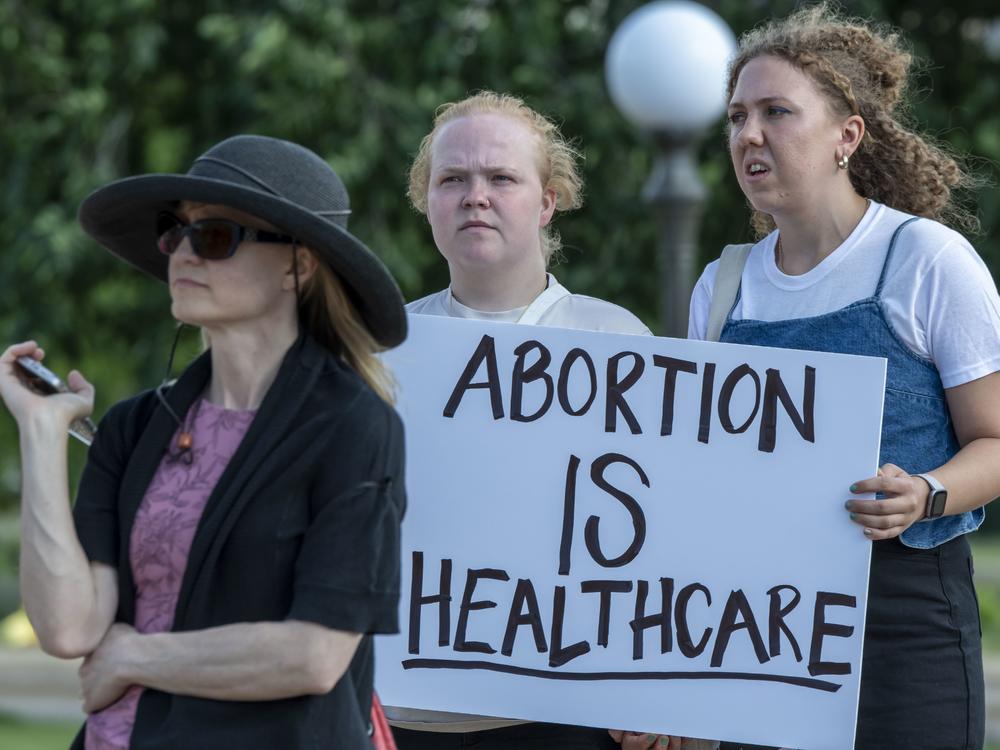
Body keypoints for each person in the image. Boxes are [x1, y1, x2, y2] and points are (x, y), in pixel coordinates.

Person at [0, 134, 409, 749]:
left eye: (216, 236)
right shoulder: (133, 427)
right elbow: (68, 627)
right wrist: (39, 431)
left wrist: (135, 657)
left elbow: (315, 654)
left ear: (297, 267)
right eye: (176, 232)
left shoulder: (351, 425)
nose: (183, 254)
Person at [689, 6, 1000, 749]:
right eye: (736, 117)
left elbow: (994, 439)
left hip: (906, 626)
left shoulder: (926, 259)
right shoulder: (722, 285)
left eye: (776, 112)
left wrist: (926, 494)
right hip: (759, 623)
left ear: (846, 136)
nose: (748, 135)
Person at [386, 90, 660, 749]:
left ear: (546, 202)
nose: (474, 195)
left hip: (564, 712)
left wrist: (654, 692)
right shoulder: (381, 349)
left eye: (501, 177)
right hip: (403, 710)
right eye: (453, 179)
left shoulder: (617, 341)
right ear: (427, 201)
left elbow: (660, 539)